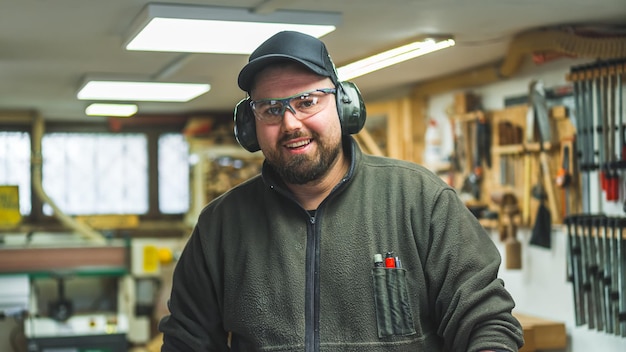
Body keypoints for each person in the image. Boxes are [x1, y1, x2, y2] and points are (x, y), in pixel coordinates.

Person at [159, 30, 524, 352]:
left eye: (307, 102)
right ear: (250, 126)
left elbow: (484, 319)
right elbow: (187, 340)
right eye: (271, 109)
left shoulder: (419, 199)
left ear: (344, 104)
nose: (290, 123)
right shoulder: (221, 225)